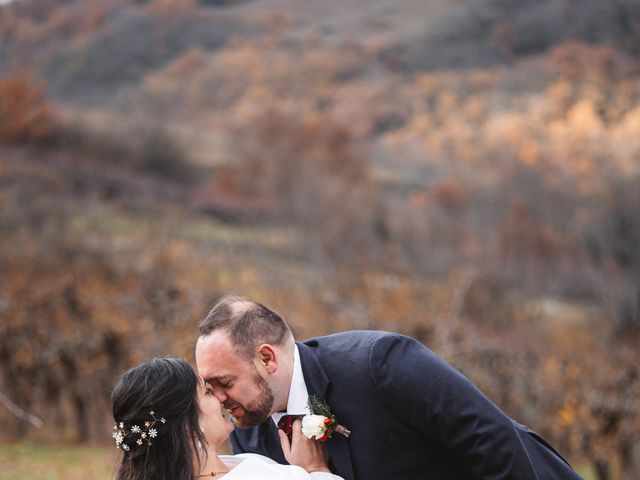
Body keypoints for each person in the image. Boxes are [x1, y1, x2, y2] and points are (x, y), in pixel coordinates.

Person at [195, 295, 583, 480]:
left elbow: (492, 441)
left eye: (223, 383)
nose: (218, 400)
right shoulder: (250, 439)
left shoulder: (378, 363)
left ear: (267, 359)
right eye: (208, 387)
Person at [111, 356, 344, 480]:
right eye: (207, 392)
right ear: (187, 425)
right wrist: (316, 469)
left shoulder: (228, 465)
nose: (221, 398)